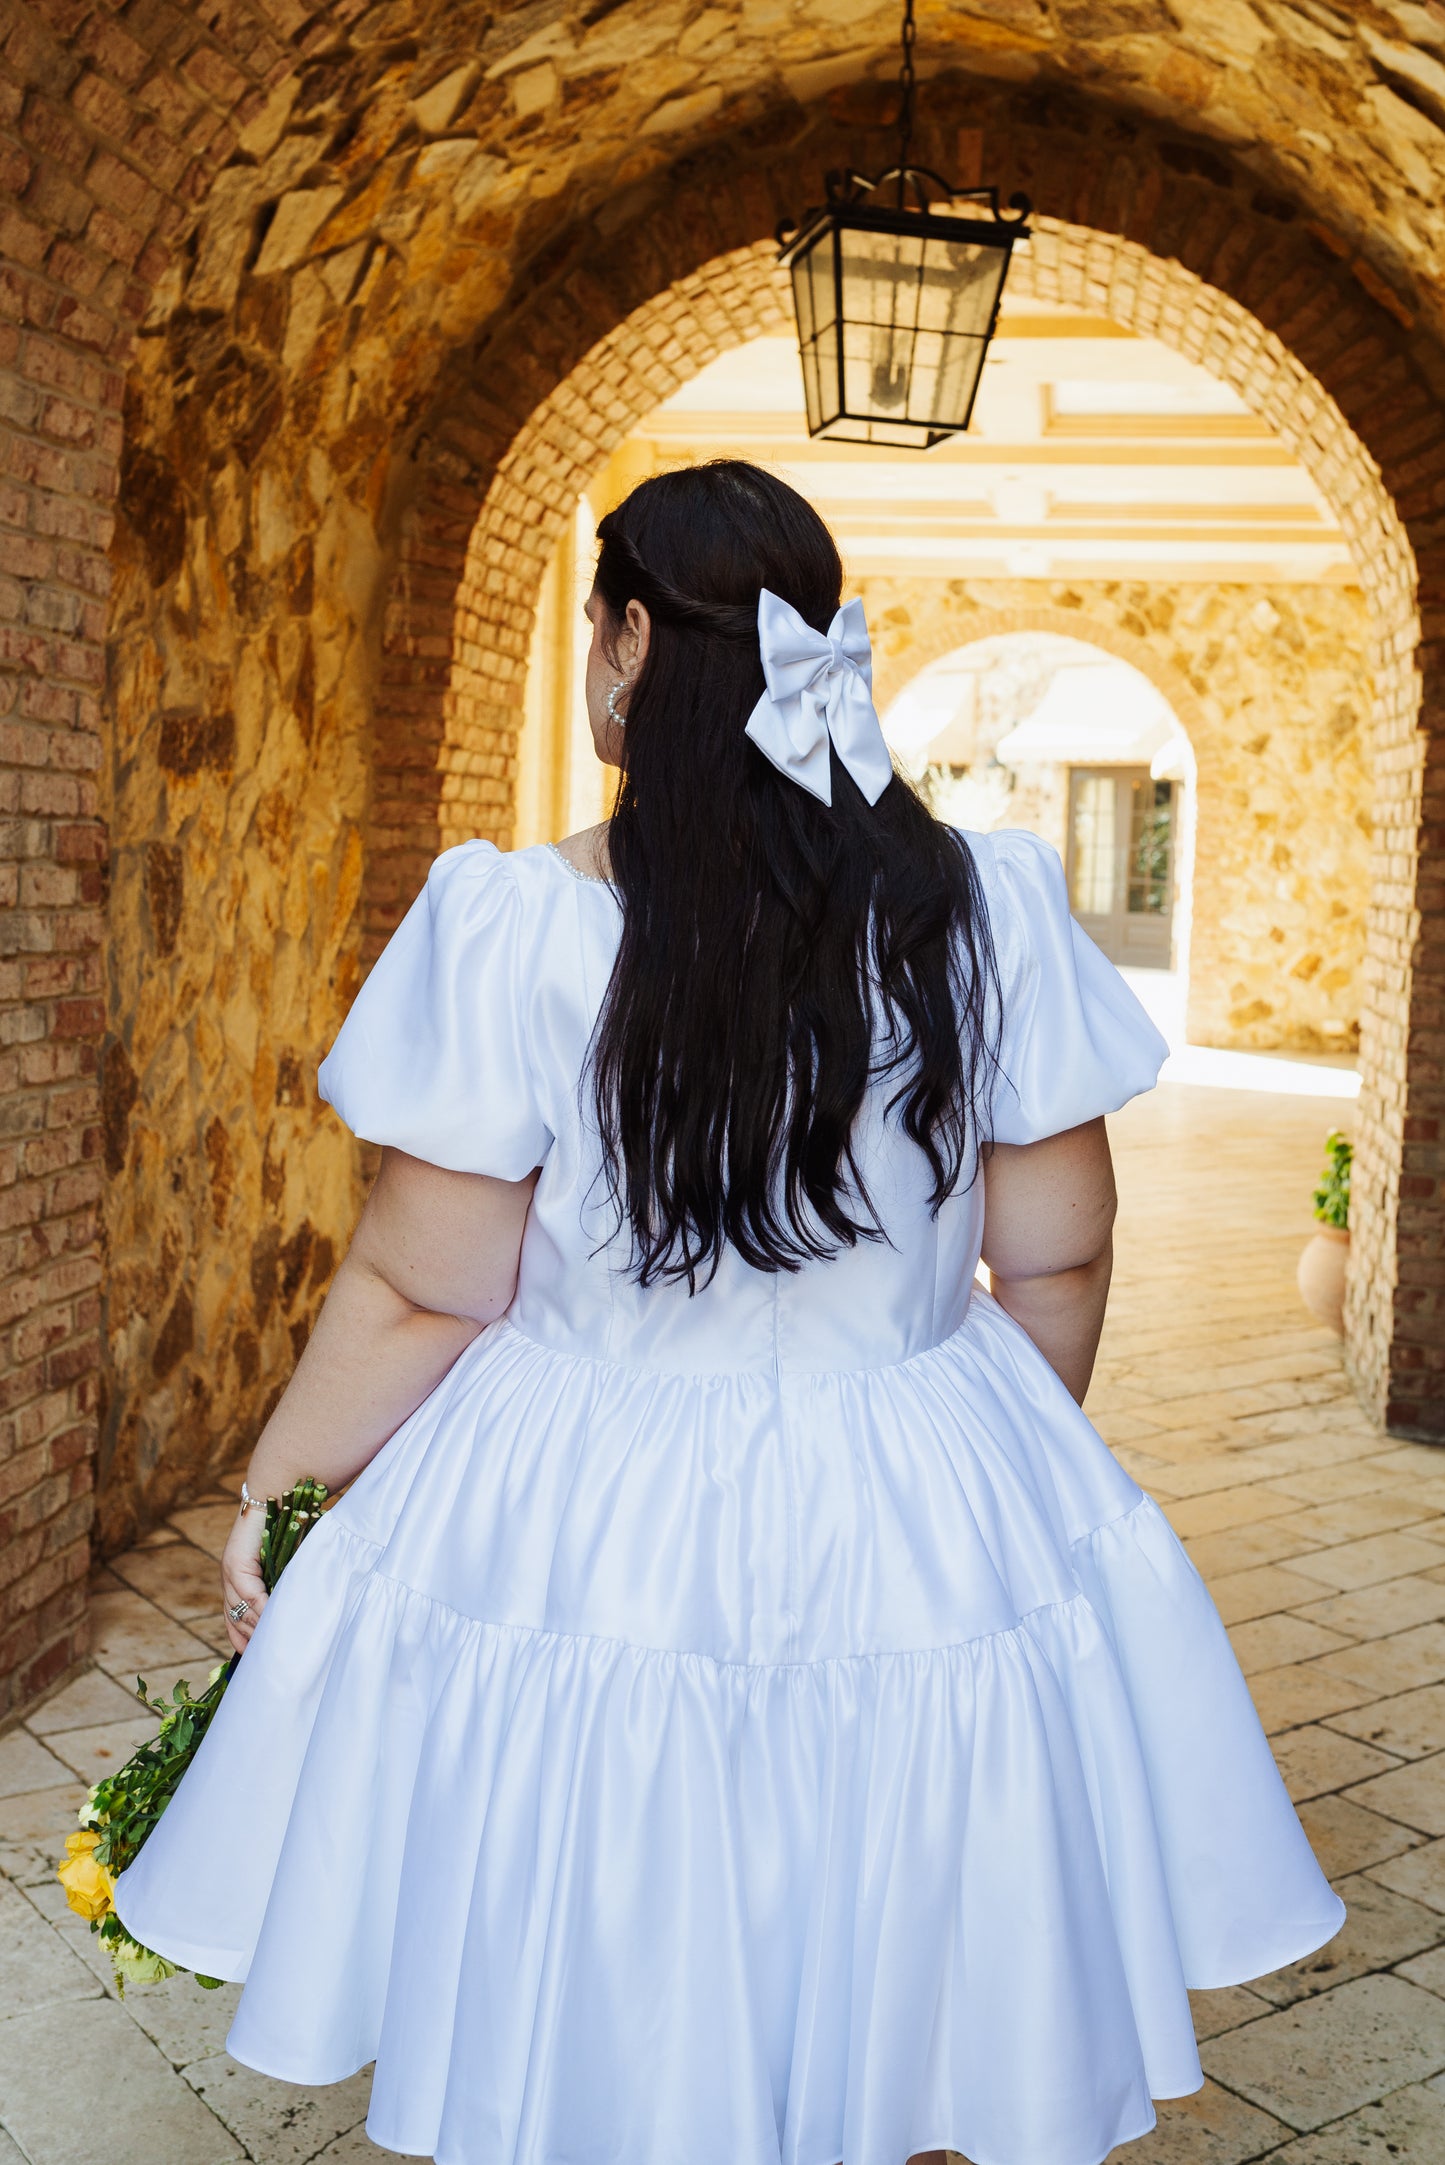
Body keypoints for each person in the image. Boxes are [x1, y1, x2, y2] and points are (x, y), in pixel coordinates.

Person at [115, 460, 1343, 2165]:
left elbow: (422, 1284)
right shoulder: (977, 904)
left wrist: (275, 1496)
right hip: (920, 1460)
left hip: (585, 1487)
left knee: (597, 1881)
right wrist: (991, 1457)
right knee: (914, 1908)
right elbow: (1056, 1252)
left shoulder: (521, 924)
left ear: (624, 642)